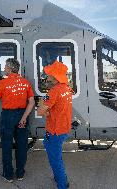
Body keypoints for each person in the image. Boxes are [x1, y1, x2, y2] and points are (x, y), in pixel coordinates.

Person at [0, 58, 35, 182]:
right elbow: (31, 102)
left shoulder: (2, 83)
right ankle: (20, 173)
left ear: (10, 69)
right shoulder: (25, 82)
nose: (4, 69)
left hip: (8, 116)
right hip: (22, 115)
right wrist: (23, 118)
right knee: (22, 145)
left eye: (5, 67)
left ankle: (8, 175)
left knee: (6, 145)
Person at [37, 60, 73, 189]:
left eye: (49, 74)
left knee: (55, 159)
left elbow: (41, 111)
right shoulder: (67, 89)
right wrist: (48, 111)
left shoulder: (53, 91)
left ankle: (62, 184)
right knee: (55, 153)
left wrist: (41, 102)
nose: (46, 76)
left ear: (54, 76)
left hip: (55, 130)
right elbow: (58, 108)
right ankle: (59, 177)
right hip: (64, 128)